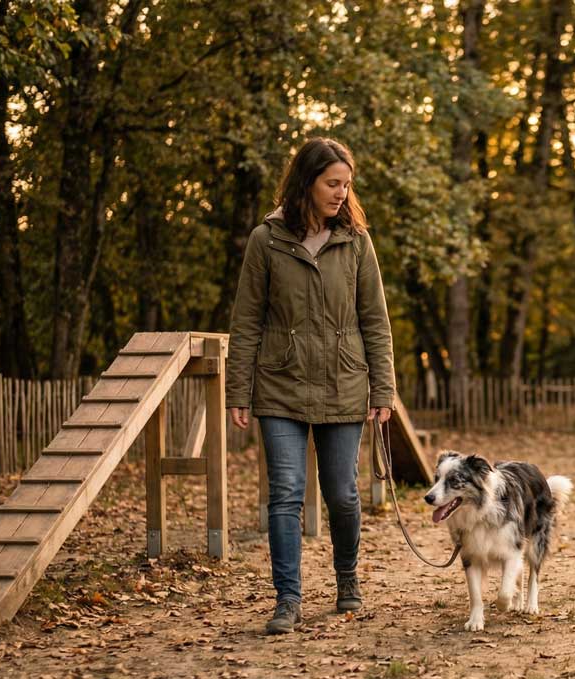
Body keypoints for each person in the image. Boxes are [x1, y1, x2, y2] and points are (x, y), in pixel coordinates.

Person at [225, 138, 397, 635]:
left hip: (344, 383)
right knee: (285, 494)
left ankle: (347, 577)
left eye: (346, 184)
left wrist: (382, 389)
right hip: (281, 384)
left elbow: (375, 320)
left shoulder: (356, 241)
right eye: (332, 183)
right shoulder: (266, 240)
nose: (342, 193)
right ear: (307, 182)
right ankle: (288, 599)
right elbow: (247, 320)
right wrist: (238, 390)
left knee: (342, 494)